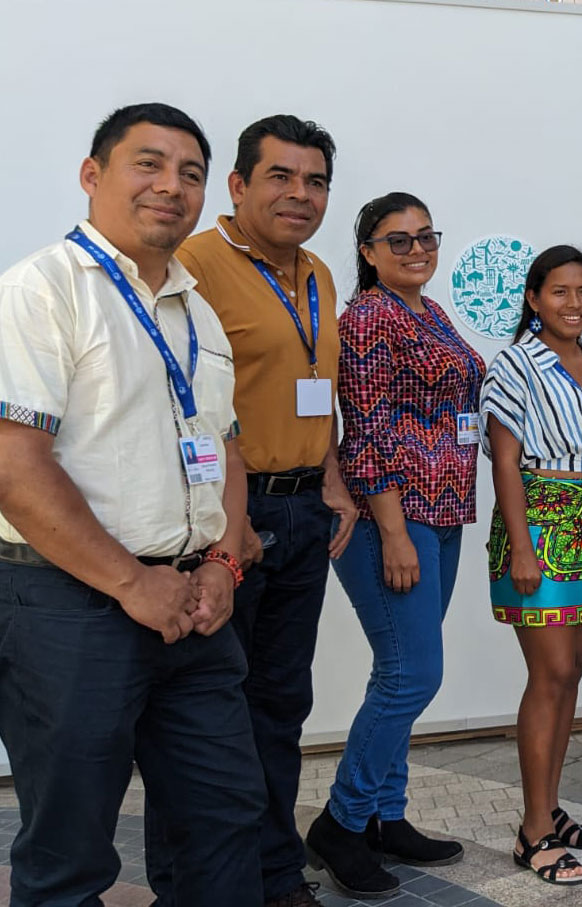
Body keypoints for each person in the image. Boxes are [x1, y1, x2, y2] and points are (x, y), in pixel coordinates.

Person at [0, 103, 264, 906]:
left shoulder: (198, 309)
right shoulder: (40, 291)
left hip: (194, 603)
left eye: (190, 172)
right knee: (72, 848)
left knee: (225, 815)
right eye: (147, 164)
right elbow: (14, 465)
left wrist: (222, 559)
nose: (170, 186)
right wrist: (128, 581)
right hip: (70, 605)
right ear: (92, 176)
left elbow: (225, 446)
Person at [156, 114, 357, 907]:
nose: (299, 195)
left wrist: (333, 474)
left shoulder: (317, 273)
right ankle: (195, 886)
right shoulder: (193, 263)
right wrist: (225, 525)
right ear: (237, 186)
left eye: (314, 182)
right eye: (280, 177)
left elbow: (318, 386)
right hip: (228, 526)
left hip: (303, 515)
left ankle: (275, 874)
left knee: (280, 707)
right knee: (204, 718)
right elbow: (180, 403)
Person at [302, 193, 485, 898]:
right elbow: (369, 429)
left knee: (400, 672)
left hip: (442, 513)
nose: (417, 249)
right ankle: (341, 824)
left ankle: (386, 813)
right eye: (398, 239)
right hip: (395, 518)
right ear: (369, 250)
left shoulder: (428, 311)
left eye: (426, 236)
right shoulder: (370, 319)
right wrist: (393, 529)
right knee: (411, 675)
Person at [481, 245, 582, 886]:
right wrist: (522, 546)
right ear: (534, 299)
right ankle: (532, 830)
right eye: (560, 292)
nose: (574, 303)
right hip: (538, 519)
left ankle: (550, 807)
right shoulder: (514, 364)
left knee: (571, 676)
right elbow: (504, 461)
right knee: (552, 672)